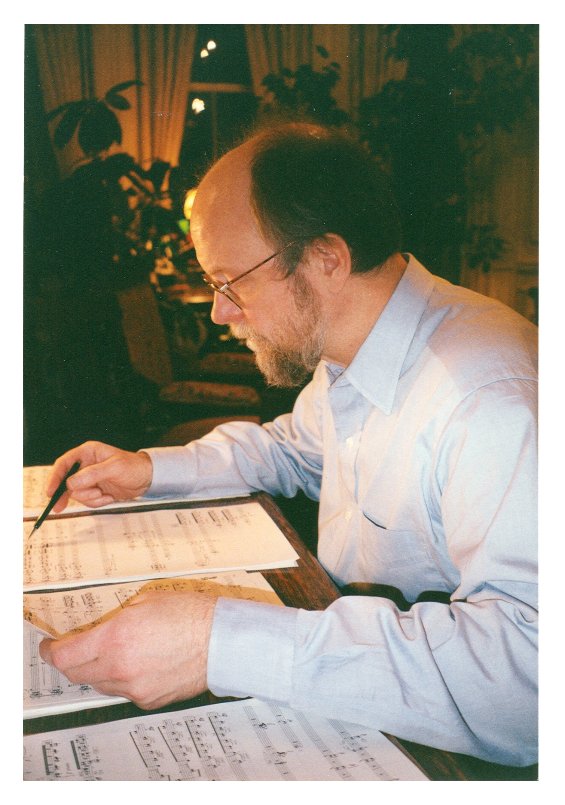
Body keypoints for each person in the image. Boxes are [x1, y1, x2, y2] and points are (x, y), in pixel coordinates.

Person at [40, 122, 537, 767]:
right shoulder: (359, 342)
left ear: (326, 259)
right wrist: (148, 470)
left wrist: (217, 645)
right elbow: (291, 451)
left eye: (230, 281)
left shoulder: (490, 398)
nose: (220, 312)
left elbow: (530, 675)